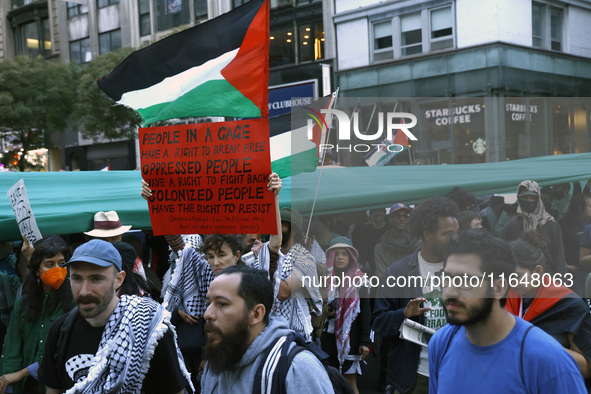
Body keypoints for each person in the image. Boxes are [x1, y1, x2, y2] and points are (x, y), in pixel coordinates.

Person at [429, 230, 586, 393]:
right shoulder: (441, 344)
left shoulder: (549, 359)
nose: (450, 291)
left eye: (466, 280)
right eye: (446, 278)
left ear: (498, 288)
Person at [38, 239, 190, 394]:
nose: (84, 291)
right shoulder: (60, 331)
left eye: (96, 279)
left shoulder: (148, 331)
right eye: (77, 278)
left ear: (119, 279)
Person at [200, 265, 334, 393]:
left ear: (256, 314)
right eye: (208, 304)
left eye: (222, 304)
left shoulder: (298, 368)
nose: (207, 314)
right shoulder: (217, 361)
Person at [372, 196, 459, 394]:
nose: (455, 239)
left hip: (455, 372)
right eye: (448, 234)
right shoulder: (397, 273)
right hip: (413, 377)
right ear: (428, 235)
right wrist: (404, 314)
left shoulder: (464, 270)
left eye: (457, 233)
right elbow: (378, 322)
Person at [505, 236, 591, 378]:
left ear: (538, 272)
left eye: (518, 276)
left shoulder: (569, 305)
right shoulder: (505, 298)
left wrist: (540, 346)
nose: (511, 282)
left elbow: (587, 367)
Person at [0, 236, 74, 394]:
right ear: (37, 272)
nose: (57, 269)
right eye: (50, 264)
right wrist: (7, 382)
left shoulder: (74, 302)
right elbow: (12, 347)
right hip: (26, 386)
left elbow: (64, 351)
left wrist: (23, 372)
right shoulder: (24, 303)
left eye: (62, 264)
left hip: (57, 384)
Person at [256, 207, 322, 342]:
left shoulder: (304, 258)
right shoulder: (263, 251)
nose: (276, 228)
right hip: (266, 330)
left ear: (294, 229)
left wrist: (267, 263)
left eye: (282, 224)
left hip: (295, 333)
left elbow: (284, 292)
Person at [321, 237, 371, 394]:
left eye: (344, 254)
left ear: (351, 257)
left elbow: (366, 313)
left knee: (350, 382)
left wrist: (364, 341)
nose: (340, 257)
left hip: (351, 340)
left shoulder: (360, 280)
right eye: (337, 254)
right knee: (326, 380)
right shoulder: (324, 279)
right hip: (326, 338)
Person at [501, 180, 567, 274]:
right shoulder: (511, 225)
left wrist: (560, 281)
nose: (528, 201)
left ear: (538, 199)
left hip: (547, 277)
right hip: (519, 278)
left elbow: (559, 256)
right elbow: (505, 255)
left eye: (532, 197)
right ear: (519, 199)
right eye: (525, 197)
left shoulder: (550, 224)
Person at [373, 203, 421, 280]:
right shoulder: (381, 248)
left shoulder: (418, 243)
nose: (402, 219)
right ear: (390, 219)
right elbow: (383, 275)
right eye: (397, 216)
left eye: (405, 216)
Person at [350, 208, 389, 275]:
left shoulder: (389, 228)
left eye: (380, 216)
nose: (378, 219)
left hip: (388, 260)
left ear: (385, 214)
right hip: (373, 263)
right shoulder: (366, 230)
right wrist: (361, 265)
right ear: (371, 216)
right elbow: (364, 249)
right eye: (375, 216)